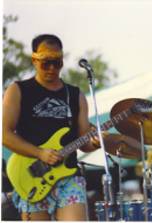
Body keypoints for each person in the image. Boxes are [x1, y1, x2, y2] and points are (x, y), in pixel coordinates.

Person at [2, 34, 102, 220]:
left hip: (69, 176)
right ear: (34, 60)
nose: (51, 68)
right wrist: (39, 153)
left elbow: (83, 142)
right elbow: (5, 135)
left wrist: (95, 142)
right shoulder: (17, 90)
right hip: (31, 175)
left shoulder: (75, 94)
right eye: (45, 62)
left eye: (57, 62)